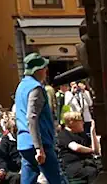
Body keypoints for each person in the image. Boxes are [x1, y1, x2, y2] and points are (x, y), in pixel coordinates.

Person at [14, 53, 64, 184]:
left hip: (24, 143)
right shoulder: (35, 88)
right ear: (38, 70)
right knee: (57, 180)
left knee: (27, 181)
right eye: (44, 67)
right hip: (39, 143)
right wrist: (39, 147)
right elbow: (32, 117)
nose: (46, 71)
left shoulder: (21, 86)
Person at [56, 113, 99, 184]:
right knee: (92, 172)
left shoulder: (82, 134)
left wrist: (92, 132)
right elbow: (76, 147)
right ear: (72, 122)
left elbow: (96, 151)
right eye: (80, 121)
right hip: (73, 166)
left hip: (88, 163)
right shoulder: (63, 135)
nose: (83, 123)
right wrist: (92, 150)